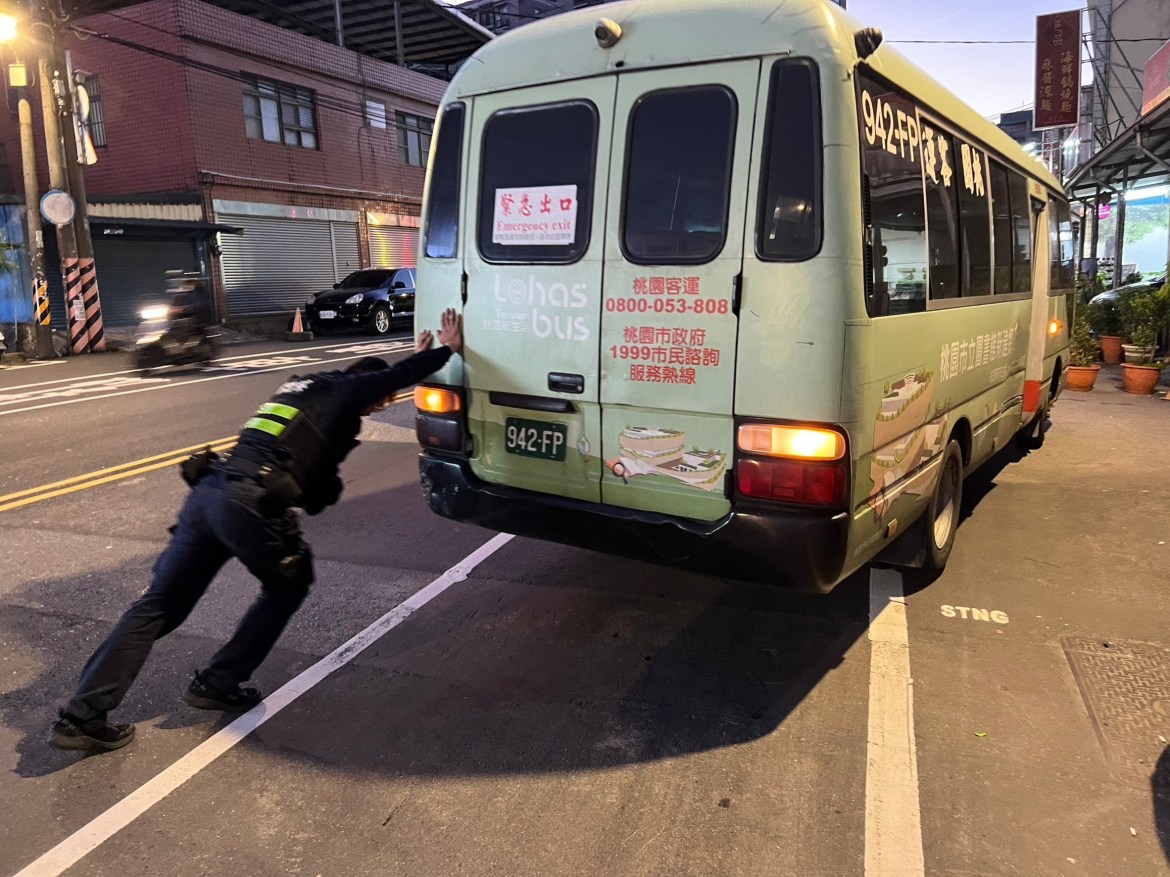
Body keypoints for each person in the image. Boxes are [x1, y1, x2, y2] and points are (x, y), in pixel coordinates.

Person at [50, 308, 464, 752]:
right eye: (380, 402)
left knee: (159, 605)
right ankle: (218, 682)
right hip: (248, 503)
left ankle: (81, 716)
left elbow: (325, 457)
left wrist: (403, 371)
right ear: (367, 391)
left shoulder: (304, 387)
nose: (381, 406)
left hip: (208, 493)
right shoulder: (348, 393)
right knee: (289, 583)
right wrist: (445, 350)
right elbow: (379, 394)